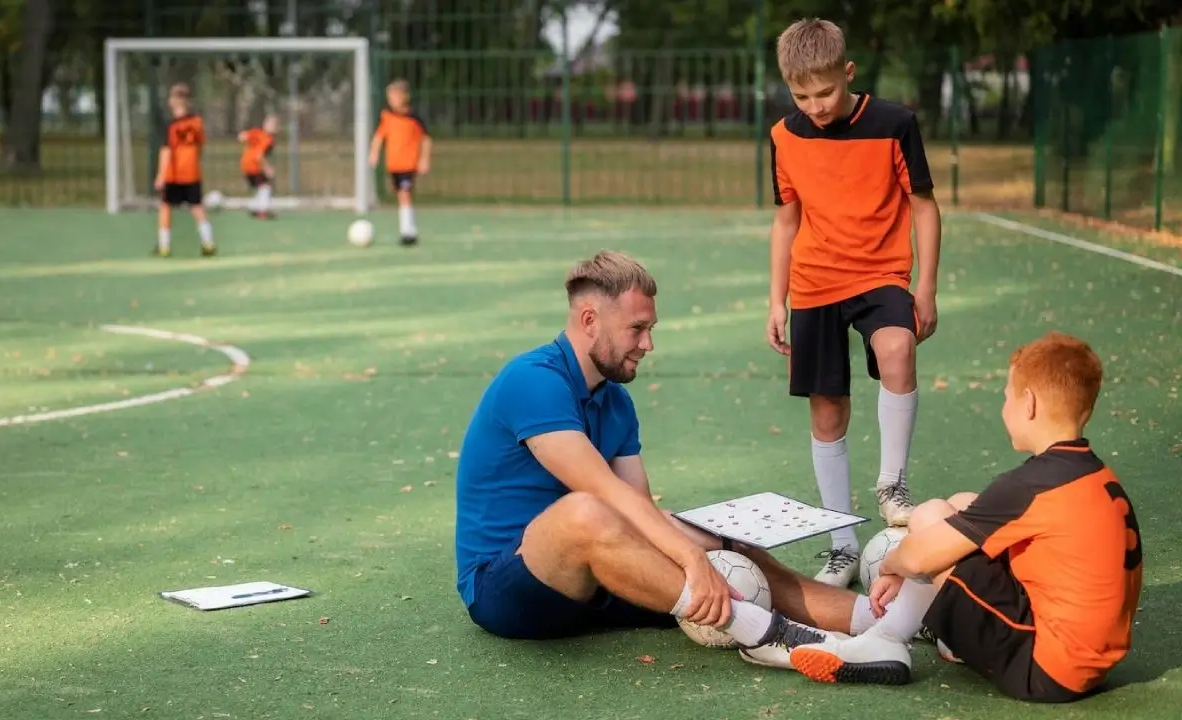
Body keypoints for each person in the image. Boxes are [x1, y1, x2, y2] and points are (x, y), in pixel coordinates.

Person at [453, 249, 905, 670]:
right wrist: (690, 559)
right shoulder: (532, 381)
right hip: (505, 589)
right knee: (587, 512)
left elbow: (640, 508)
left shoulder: (616, 403)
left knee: (721, 538)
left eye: (650, 329)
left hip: (594, 586)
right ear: (589, 319)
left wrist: (713, 544)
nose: (647, 344)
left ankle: (884, 621)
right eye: (636, 328)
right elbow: (604, 494)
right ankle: (770, 637)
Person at [787, 332, 1143, 703]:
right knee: (962, 503)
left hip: (1042, 670)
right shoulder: (1094, 475)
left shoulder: (1032, 485)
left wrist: (893, 567)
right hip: (1090, 662)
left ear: (1030, 404)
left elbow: (921, 556)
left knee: (931, 516)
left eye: (1006, 396)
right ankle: (918, 638)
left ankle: (885, 640)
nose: (1003, 405)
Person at [765, 18, 943, 588]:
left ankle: (892, 485)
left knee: (898, 351)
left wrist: (926, 287)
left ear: (848, 73)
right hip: (815, 284)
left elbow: (924, 205)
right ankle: (842, 544)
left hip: (881, 274)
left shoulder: (895, 123)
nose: (815, 106)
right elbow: (786, 218)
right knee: (827, 411)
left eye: (825, 92)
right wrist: (776, 299)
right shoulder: (784, 136)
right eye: (801, 95)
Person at [153, 83, 216, 257]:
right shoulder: (197, 123)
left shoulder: (171, 126)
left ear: (172, 102)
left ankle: (164, 245)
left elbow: (166, 151)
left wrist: (161, 175)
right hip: (192, 172)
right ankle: (208, 242)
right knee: (197, 207)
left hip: (173, 173)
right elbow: (201, 145)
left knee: (165, 206)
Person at [368, 79, 431, 246]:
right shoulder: (387, 117)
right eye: (390, 97)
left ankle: (408, 231)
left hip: (408, 164)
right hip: (393, 164)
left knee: (405, 194)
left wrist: (424, 159)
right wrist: (374, 153)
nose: (392, 100)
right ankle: (407, 229)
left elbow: (425, 139)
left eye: (395, 96)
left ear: (405, 97)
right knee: (401, 196)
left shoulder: (414, 119)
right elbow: (379, 136)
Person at [238, 114, 279, 220]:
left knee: (261, 187)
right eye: (271, 124)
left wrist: (248, 142)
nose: (273, 127)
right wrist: (268, 168)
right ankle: (261, 211)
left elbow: (242, 136)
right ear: (265, 124)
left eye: (274, 125)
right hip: (254, 166)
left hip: (245, 164)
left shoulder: (257, 132)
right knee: (265, 187)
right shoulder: (269, 140)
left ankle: (255, 207)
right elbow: (260, 156)